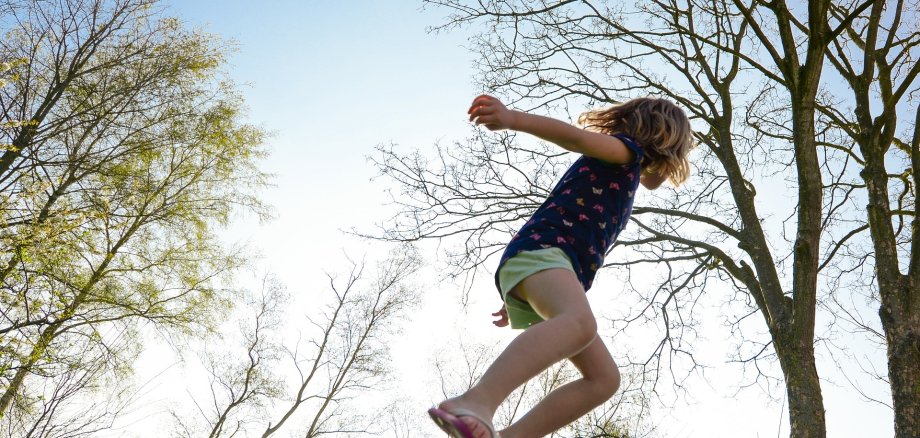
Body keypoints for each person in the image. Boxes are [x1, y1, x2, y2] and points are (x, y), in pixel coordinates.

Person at [427, 94, 696, 438]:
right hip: (545, 252)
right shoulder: (624, 151)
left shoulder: (628, 169)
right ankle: (475, 401)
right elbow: (576, 137)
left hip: (545, 265)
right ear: (663, 138)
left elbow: (654, 179)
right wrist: (512, 119)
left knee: (604, 379)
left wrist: (528, 292)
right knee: (581, 324)